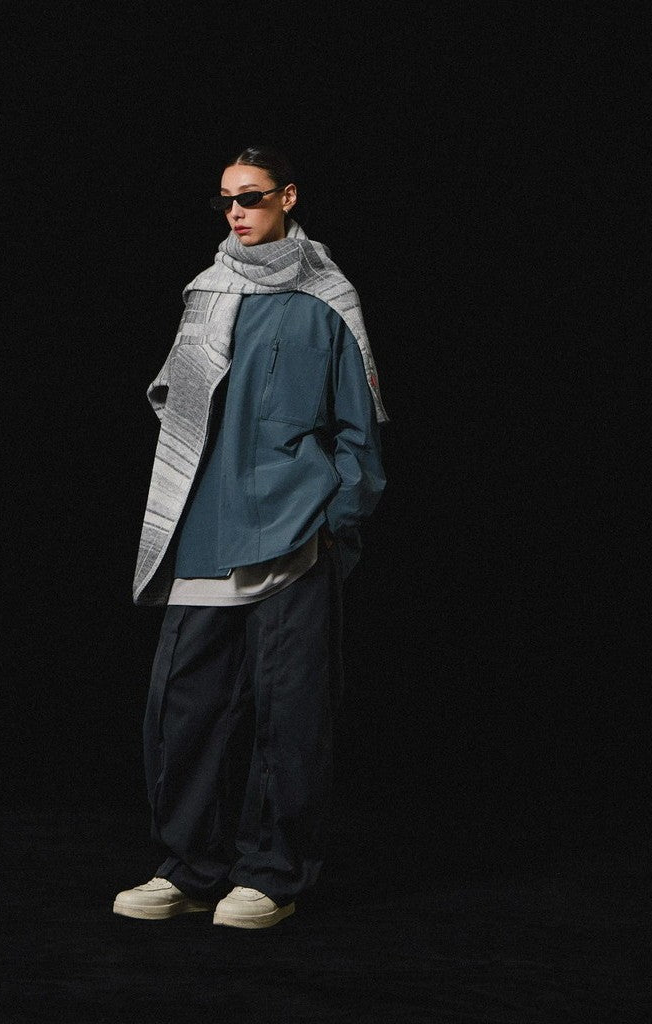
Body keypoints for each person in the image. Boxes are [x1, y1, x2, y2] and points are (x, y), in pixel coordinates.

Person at [114, 145, 389, 929]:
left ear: (288, 197)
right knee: (183, 712)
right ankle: (186, 868)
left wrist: (332, 523)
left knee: (290, 718)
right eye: (227, 200)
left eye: (253, 197)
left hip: (294, 537)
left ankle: (270, 875)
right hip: (206, 529)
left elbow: (359, 431)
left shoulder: (328, 300)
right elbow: (176, 407)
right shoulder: (206, 293)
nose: (237, 212)